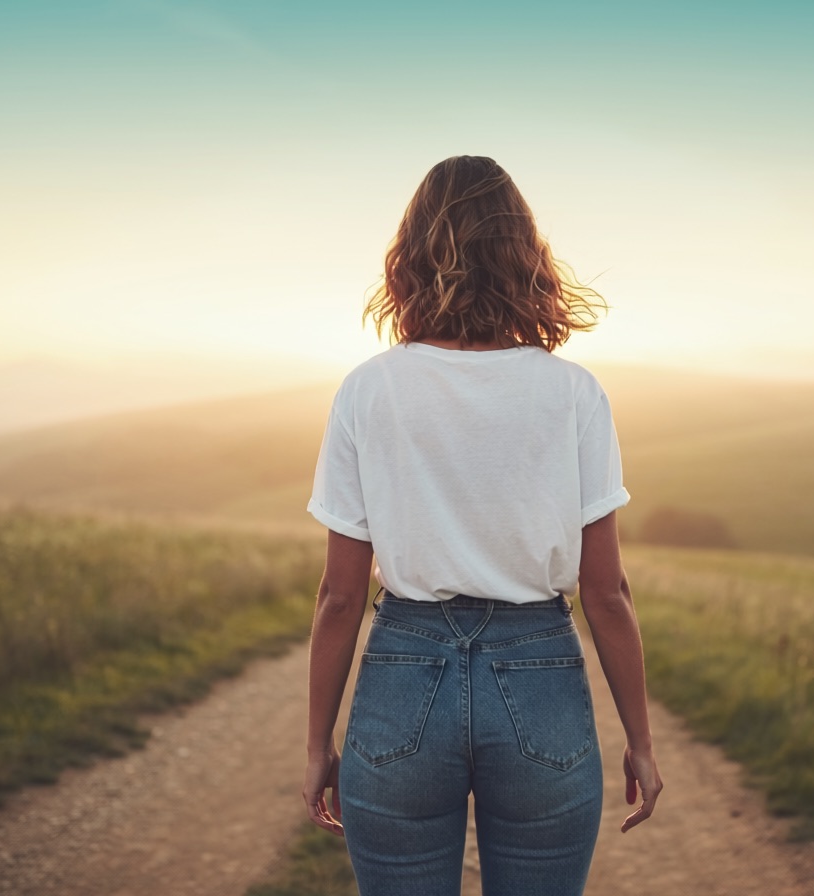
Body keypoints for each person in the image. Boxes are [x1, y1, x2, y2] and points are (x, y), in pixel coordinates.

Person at [303, 155, 662, 896]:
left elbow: (339, 597)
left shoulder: (368, 392)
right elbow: (607, 593)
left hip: (404, 668)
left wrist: (317, 743)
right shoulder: (575, 395)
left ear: (409, 259)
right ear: (523, 257)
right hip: (541, 677)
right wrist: (641, 742)